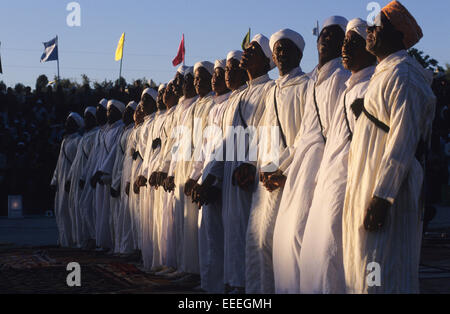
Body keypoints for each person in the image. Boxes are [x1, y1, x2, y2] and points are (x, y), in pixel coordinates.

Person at [342, 1, 435, 293]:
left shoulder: (404, 76)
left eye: (376, 26)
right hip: (367, 185)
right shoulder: (386, 72)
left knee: (382, 267)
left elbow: (403, 141)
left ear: (396, 35)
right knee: (367, 263)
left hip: (387, 193)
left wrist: (383, 197)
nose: (368, 31)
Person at [272, 16, 350, 294]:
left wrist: (323, 172)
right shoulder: (314, 79)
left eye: (334, 35)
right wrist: (283, 167)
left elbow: (334, 133)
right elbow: (303, 133)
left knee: (301, 235)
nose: (326, 39)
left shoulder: (341, 77)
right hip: (301, 163)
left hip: (322, 163)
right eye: (323, 35)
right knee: (285, 235)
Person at [299, 18, 376, 294]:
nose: (344, 48)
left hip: (347, 180)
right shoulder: (349, 87)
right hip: (328, 177)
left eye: (352, 43)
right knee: (316, 249)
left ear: (370, 48)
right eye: (345, 42)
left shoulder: (369, 88)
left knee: (336, 250)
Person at [245, 28, 309, 294]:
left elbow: (307, 134)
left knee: (277, 242)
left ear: (298, 53)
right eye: (277, 49)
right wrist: (260, 166)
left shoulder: (307, 86)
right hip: (265, 174)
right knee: (256, 240)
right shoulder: (271, 91)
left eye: (286, 48)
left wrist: (281, 166)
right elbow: (264, 134)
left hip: (289, 174)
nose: (280, 52)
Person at [216, 34, 275, 293]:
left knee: (249, 231)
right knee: (233, 229)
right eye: (246, 50)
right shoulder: (241, 95)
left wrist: (251, 163)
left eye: (252, 51)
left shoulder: (269, 89)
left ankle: (246, 286)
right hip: (234, 165)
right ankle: (234, 282)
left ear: (265, 60)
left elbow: (268, 130)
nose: (245, 54)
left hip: (252, 168)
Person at [193, 58, 231, 293]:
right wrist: (198, 176)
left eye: (220, 74)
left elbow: (228, 146)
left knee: (221, 237)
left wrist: (213, 180)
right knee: (207, 235)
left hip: (222, 178)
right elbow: (205, 146)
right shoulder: (214, 106)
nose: (216, 78)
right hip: (207, 174)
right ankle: (209, 283)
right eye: (215, 74)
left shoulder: (232, 103)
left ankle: (221, 285)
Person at [92, 99, 125, 251]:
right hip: (101, 174)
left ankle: (110, 244)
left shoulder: (120, 129)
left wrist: (103, 170)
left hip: (110, 175)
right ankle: (102, 242)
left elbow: (114, 154)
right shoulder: (106, 131)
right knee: (101, 211)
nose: (108, 113)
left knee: (110, 213)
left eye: (112, 110)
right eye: (108, 110)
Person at [66, 106, 98, 248]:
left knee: (88, 208)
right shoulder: (85, 137)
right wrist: (70, 178)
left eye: (89, 117)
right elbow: (76, 163)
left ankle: (92, 238)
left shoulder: (95, 135)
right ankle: (81, 239)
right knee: (78, 209)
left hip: (88, 178)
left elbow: (93, 160)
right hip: (77, 179)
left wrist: (85, 176)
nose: (86, 120)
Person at [50, 112, 83, 247]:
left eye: (70, 122)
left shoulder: (78, 141)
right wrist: (54, 180)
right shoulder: (65, 140)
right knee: (60, 210)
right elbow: (59, 163)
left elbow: (77, 163)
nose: (67, 124)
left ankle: (72, 239)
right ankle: (63, 239)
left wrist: (70, 179)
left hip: (71, 181)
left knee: (70, 211)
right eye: (67, 121)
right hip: (61, 181)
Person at [79, 99, 109, 248]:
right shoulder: (99, 133)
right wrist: (84, 175)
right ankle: (93, 237)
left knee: (98, 209)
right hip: (93, 175)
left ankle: (97, 239)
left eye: (100, 112)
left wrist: (101, 172)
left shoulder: (103, 132)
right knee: (87, 206)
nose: (98, 115)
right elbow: (91, 159)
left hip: (102, 175)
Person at [110, 101, 137, 254]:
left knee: (129, 216)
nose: (126, 114)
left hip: (126, 176)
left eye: (129, 111)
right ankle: (120, 247)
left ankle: (128, 249)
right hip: (120, 176)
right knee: (119, 216)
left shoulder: (132, 131)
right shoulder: (125, 131)